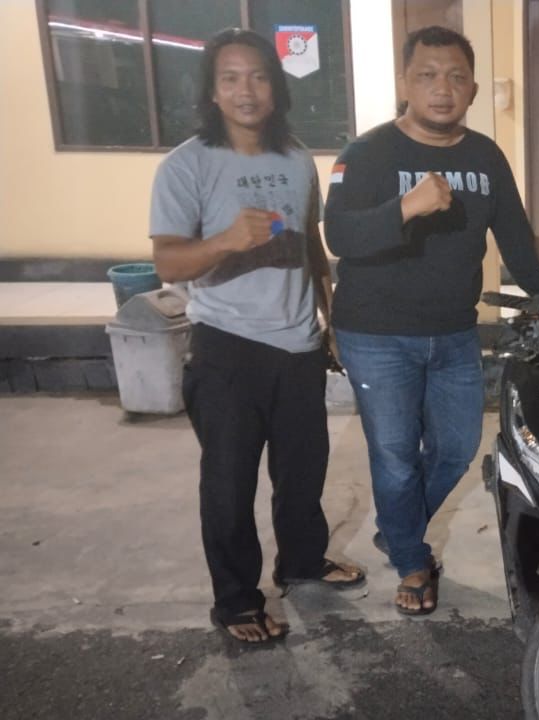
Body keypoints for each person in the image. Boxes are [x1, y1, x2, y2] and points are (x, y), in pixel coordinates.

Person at [323, 26, 539, 616]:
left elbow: (514, 237)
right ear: (405, 82)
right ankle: (411, 560)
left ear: (473, 88)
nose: (442, 88)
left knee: (456, 447)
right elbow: (339, 235)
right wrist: (406, 207)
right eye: (427, 75)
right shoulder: (366, 154)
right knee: (396, 454)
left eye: (456, 77)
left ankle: (398, 529)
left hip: (454, 331)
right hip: (376, 334)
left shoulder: (485, 156)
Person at [150, 28, 364, 645]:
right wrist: (224, 240)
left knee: (302, 474)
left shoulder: (296, 158)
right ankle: (237, 600)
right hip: (227, 346)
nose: (246, 91)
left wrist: (329, 318)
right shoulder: (186, 164)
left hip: (298, 345)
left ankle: (301, 563)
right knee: (229, 484)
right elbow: (168, 261)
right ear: (213, 92)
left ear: (276, 87)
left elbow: (312, 247)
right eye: (231, 78)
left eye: (259, 76)